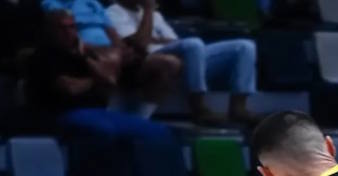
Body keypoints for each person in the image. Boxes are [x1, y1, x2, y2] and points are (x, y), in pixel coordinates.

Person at [106, 0, 261, 126]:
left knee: (244, 46)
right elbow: (140, 44)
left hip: (183, 58)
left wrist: (154, 36)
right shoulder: (113, 12)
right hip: (151, 60)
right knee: (193, 43)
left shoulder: (156, 15)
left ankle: (238, 107)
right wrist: (148, 10)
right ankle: (198, 106)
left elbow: (174, 41)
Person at [25, 10, 172, 141]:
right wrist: (95, 80)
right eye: (62, 28)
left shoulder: (83, 54)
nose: (69, 32)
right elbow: (70, 87)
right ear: (50, 31)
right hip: (61, 115)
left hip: (98, 113)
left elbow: (110, 82)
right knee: (105, 131)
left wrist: (85, 57)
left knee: (158, 131)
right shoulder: (42, 56)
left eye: (72, 27)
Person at [41, 0, 180, 113]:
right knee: (108, 62)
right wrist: (94, 50)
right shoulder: (51, 3)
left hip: (110, 52)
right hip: (86, 51)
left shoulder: (92, 3)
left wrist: (122, 49)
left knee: (167, 64)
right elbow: (65, 34)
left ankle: (140, 120)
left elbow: (111, 33)